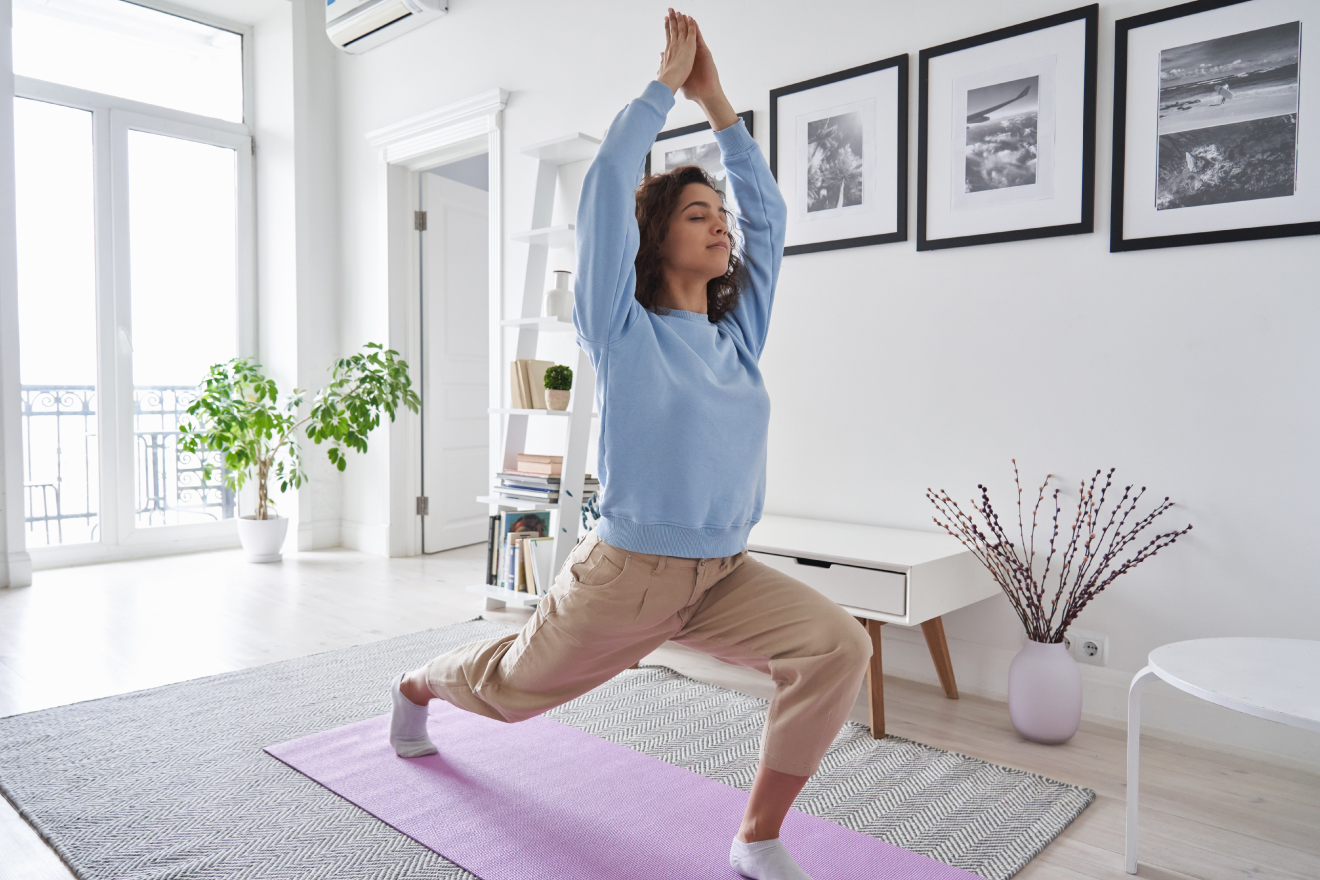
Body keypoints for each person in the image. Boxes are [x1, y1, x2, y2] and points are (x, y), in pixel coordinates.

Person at [387, 11, 871, 880]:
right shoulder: (620, 328)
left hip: (723, 576)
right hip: (625, 578)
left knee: (838, 645)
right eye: (698, 213)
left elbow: (771, 217)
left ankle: (756, 834)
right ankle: (419, 682)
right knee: (507, 696)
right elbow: (611, 180)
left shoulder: (738, 337)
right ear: (656, 240)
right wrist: (664, 91)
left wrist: (719, 103)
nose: (721, 225)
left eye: (720, 214)